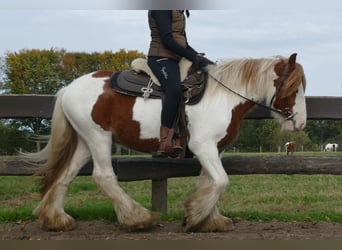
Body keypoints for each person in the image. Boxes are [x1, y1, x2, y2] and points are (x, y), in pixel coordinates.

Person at [147, 10, 213, 157]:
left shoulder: (178, 12)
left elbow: (184, 43)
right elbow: (167, 39)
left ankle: (187, 135)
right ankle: (165, 140)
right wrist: (191, 57)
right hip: (160, 58)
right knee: (174, 90)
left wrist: (202, 60)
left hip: (175, 59)